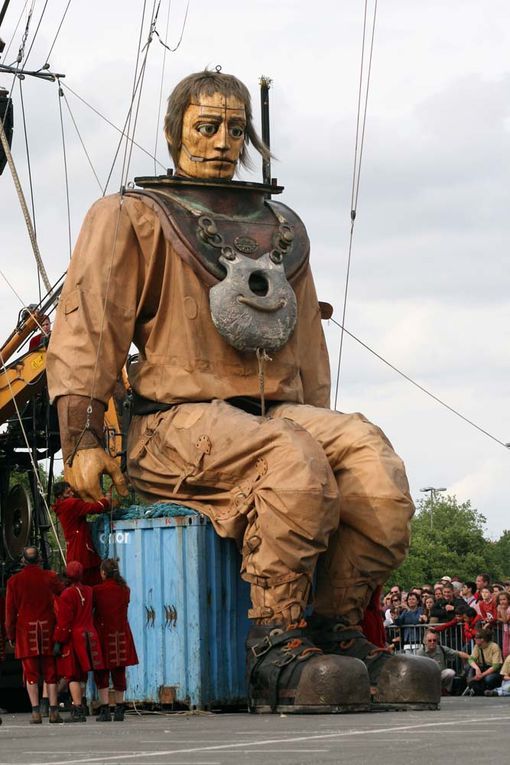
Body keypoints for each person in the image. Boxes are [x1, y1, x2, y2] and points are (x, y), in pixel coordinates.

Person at [46, 68, 437, 712]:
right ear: (176, 133)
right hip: (174, 422)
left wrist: (320, 418)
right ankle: (274, 645)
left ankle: (336, 630)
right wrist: (83, 437)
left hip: (277, 414)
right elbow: (89, 324)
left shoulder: (281, 228)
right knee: (293, 464)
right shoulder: (131, 217)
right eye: (207, 126)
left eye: (235, 128)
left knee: (374, 466)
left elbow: (308, 348)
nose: (223, 140)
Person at [5, 547, 64, 723]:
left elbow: (9, 613)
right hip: (47, 630)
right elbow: (64, 596)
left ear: (23, 560)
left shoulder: (14, 582)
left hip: (25, 632)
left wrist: (11, 634)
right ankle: (54, 711)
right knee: (50, 672)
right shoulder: (50, 577)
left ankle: (36, 712)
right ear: (39, 559)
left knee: (30, 673)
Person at [53, 561, 103, 722]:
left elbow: (64, 620)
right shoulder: (89, 591)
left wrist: (58, 641)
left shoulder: (67, 594)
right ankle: (80, 704)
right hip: (89, 635)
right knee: (83, 674)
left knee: (72, 674)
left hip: (74, 637)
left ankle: (77, 708)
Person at [93, 559, 138, 722]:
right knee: (119, 671)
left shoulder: (97, 590)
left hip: (103, 634)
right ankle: (120, 708)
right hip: (121, 633)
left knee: (102, 671)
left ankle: (105, 709)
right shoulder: (125, 589)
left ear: (103, 573)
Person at [53, 481, 111, 586]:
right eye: (68, 493)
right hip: (81, 549)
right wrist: (105, 501)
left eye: (71, 492)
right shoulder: (71, 503)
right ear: (60, 496)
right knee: (91, 580)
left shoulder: (60, 506)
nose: (72, 494)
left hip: (72, 547)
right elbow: (93, 508)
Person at [466, 629, 503, 696]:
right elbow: (470, 659)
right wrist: (477, 668)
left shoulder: (494, 647)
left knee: (488, 679)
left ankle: (486, 690)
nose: (474, 639)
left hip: (493, 671)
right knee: (468, 669)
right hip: (482, 669)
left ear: (482, 639)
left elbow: (496, 666)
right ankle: (475, 688)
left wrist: (482, 675)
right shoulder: (477, 646)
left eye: (476, 638)